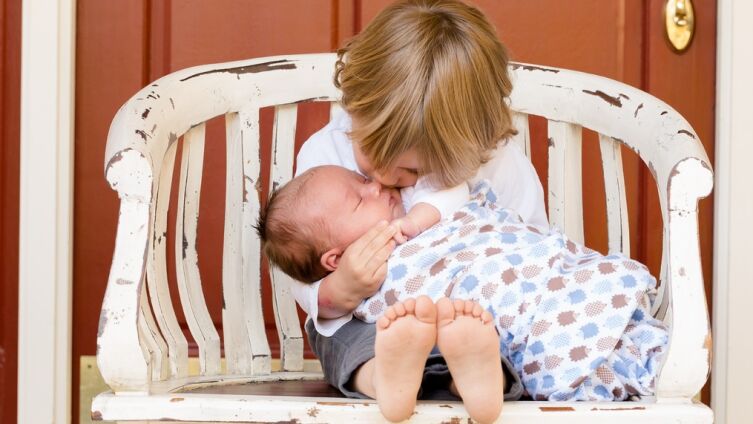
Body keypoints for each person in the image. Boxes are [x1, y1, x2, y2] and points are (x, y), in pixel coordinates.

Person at [263, 1, 547, 422]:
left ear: (472, 145)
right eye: (368, 158)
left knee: (497, 338)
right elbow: (303, 258)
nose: (382, 178)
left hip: (476, 316)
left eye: (413, 171)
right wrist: (338, 289)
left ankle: (476, 376)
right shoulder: (326, 153)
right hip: (380, 324)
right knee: (339, 336)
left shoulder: (497, 163)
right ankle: (384, 377)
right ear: (354, 109)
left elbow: (533, 246)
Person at [259, 165, 668, 405]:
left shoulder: (420, 198)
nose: (376, 185)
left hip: (535, 279)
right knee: (412, 324)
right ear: (334, 259)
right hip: (479, 314)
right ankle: (458, 375)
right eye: (360, 199)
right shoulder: (326, 174)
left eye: (361, 179)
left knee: (484, 314)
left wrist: (417, 220)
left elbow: (467, 203)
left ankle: (473, 375)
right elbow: (320, 303)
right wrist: (345, 285)